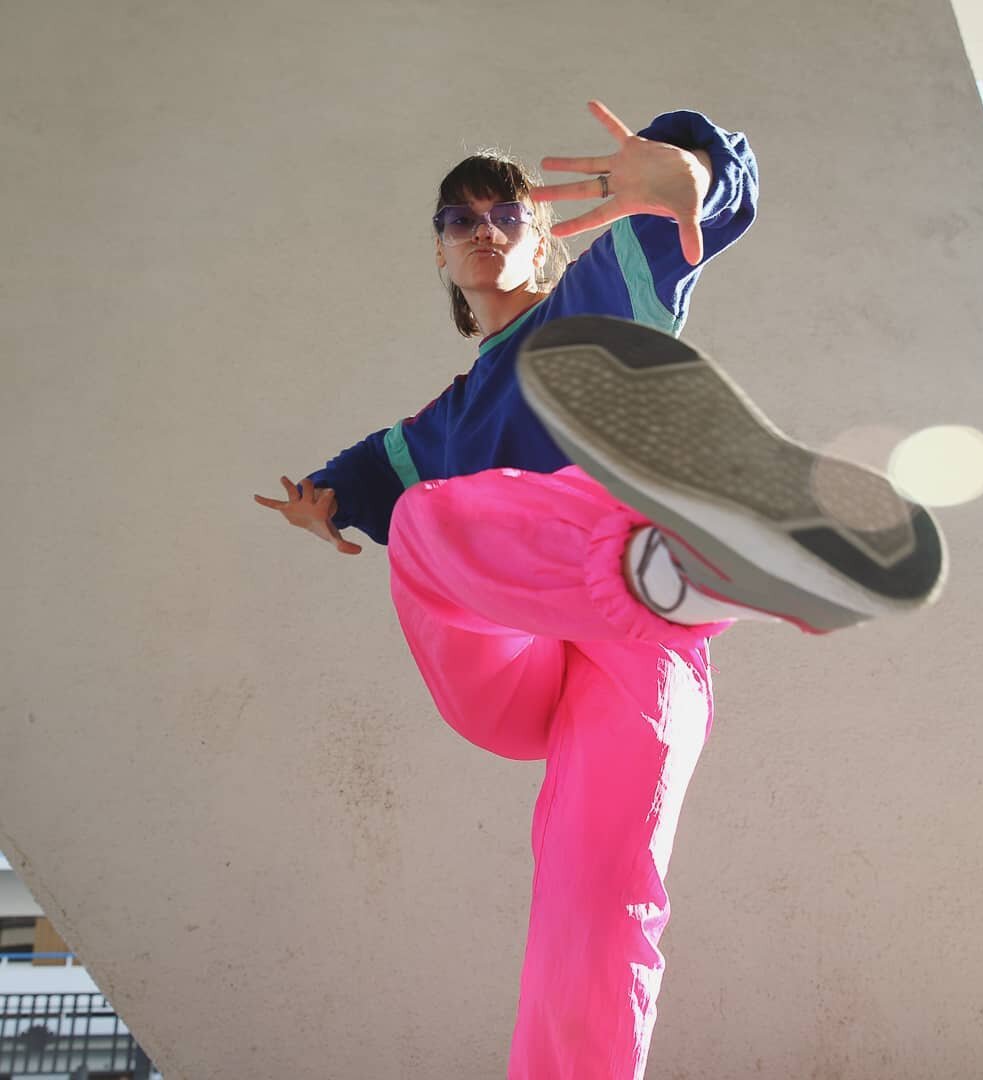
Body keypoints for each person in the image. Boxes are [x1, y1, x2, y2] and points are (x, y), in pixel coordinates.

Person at [254, 100, 945, 1079]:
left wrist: (693, 173)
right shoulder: (434, 429)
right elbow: (354, 480)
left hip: (640, 658)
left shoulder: (598, 299)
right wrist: (319, 505)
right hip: (517, 663)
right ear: (439, 252)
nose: (485, 229)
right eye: (461, 219)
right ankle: (672, 563)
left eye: (507, 213)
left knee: (594, 916)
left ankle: (680, 565)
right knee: (426, 523)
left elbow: (697, 198)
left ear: (543, 236)